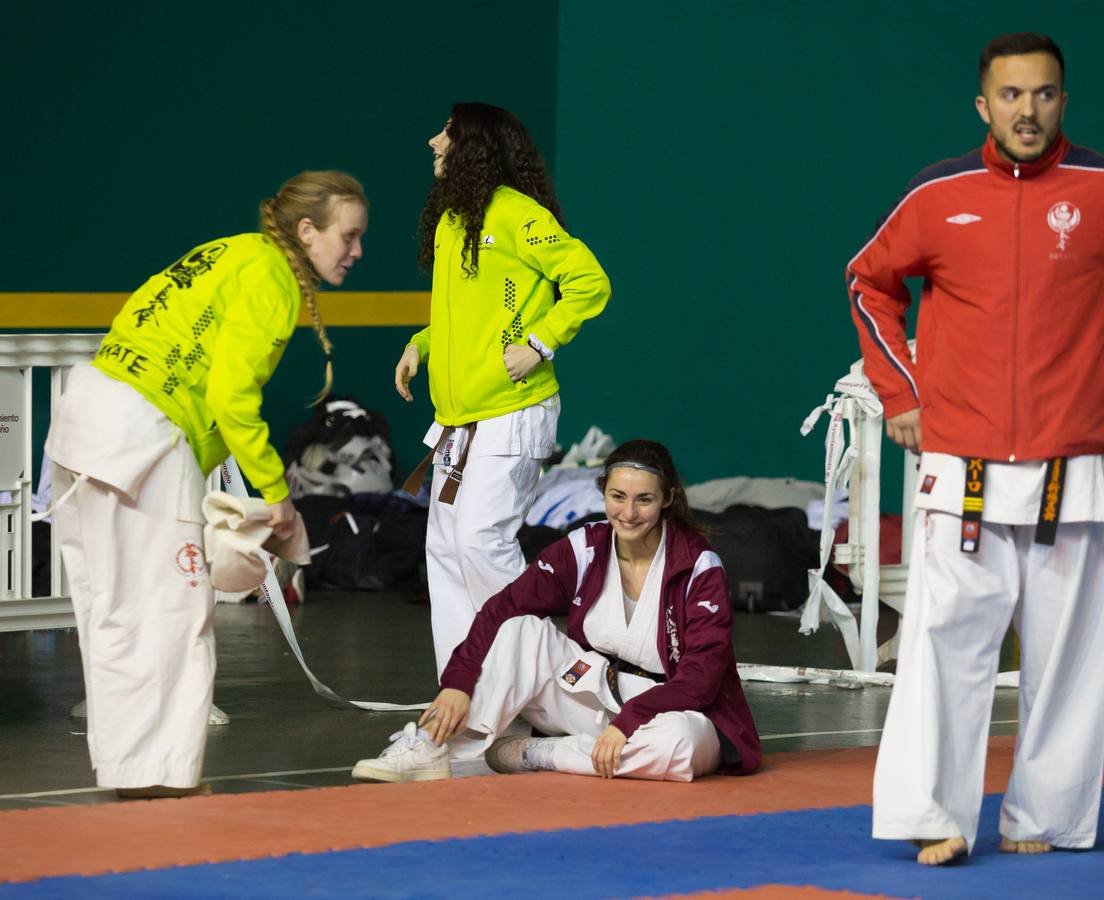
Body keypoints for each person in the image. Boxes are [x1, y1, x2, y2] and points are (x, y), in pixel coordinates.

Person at [851, 33, 1104, 864]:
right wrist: (901, 392)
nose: (1029, 110)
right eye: (1012, 96)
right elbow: (868, 282)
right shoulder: (936, 195)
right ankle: (936, 817)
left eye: (1045, 94)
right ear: (984, 105)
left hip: (1078, 464)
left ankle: (1043, 820)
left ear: (1064, 100)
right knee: (943, 645)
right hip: (964, 464)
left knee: (1070, 659)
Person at [45, 171, 369, 798]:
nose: (356, 252)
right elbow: (231, 398)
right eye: (348, 237)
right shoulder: (273, 277)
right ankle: (160, 780)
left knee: (114, 615)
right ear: (308, 231)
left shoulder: (231, 251)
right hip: (141, 433)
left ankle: (133, 774)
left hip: (86, 416)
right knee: (174, 613)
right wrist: (276, 493)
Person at [351, 440, 761, 783]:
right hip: (597, 694)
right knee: (520, 629)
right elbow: (501, 608)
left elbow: (702, 680)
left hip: (672, 712)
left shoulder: (696, 566)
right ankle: (433, 746)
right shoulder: (584, 548)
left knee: (680, 746)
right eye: (617, 497)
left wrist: (629, 721)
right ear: (602, 492)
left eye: (644, 500)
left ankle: (541, 753)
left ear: (668, 499)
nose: (629, 513)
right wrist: (457, 683)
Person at [392, 103, 611, 682]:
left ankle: (559, 683)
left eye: (448, 133)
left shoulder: (519, 215)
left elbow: (590, 281)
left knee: (481, 544)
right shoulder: (451, 222)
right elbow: (461, 317)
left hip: (514, 413)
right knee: (444, 552)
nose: (433, 140)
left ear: (477, 148)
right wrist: (422, 344)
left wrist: (539, 342)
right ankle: (463, 697)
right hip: (457, 422)